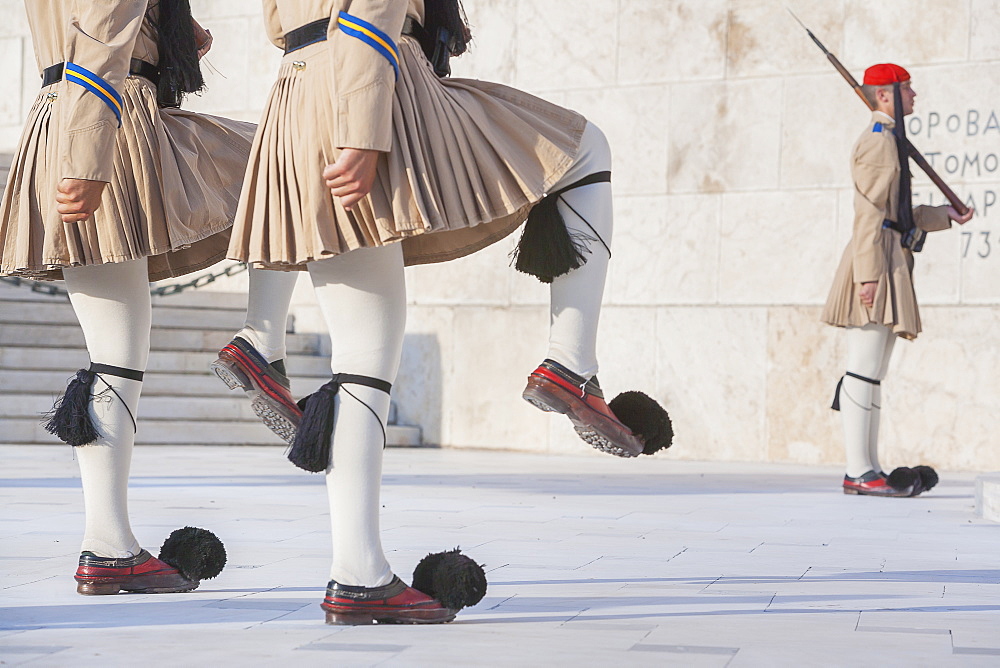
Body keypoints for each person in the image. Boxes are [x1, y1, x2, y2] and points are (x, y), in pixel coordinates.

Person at [216, 0, 671, 625]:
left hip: (297, 90)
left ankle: (358, 573)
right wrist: (364, 130)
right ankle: (571, 361)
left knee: (361, 363)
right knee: (582, 148)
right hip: (369, 85)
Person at [0, 1, 243, 594]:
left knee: (113, 360)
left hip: (71, 115)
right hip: (107, 122)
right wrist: (87, 159)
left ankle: (107, 543)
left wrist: (172, 32)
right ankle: (262, 342)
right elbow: (104, 33)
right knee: (283, 169)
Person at [821, 63, 974, 497]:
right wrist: (868, 277)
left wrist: (942, 216)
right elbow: (868, 215)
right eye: (907, 89)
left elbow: (897, 215)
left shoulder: (890, 140)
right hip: (877, 264)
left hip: (891, 260)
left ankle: (869, 468)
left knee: (873, 370)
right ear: (885, 95)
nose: (915, 95)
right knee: (862, 368)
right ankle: (858, 471)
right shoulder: (877, 144)